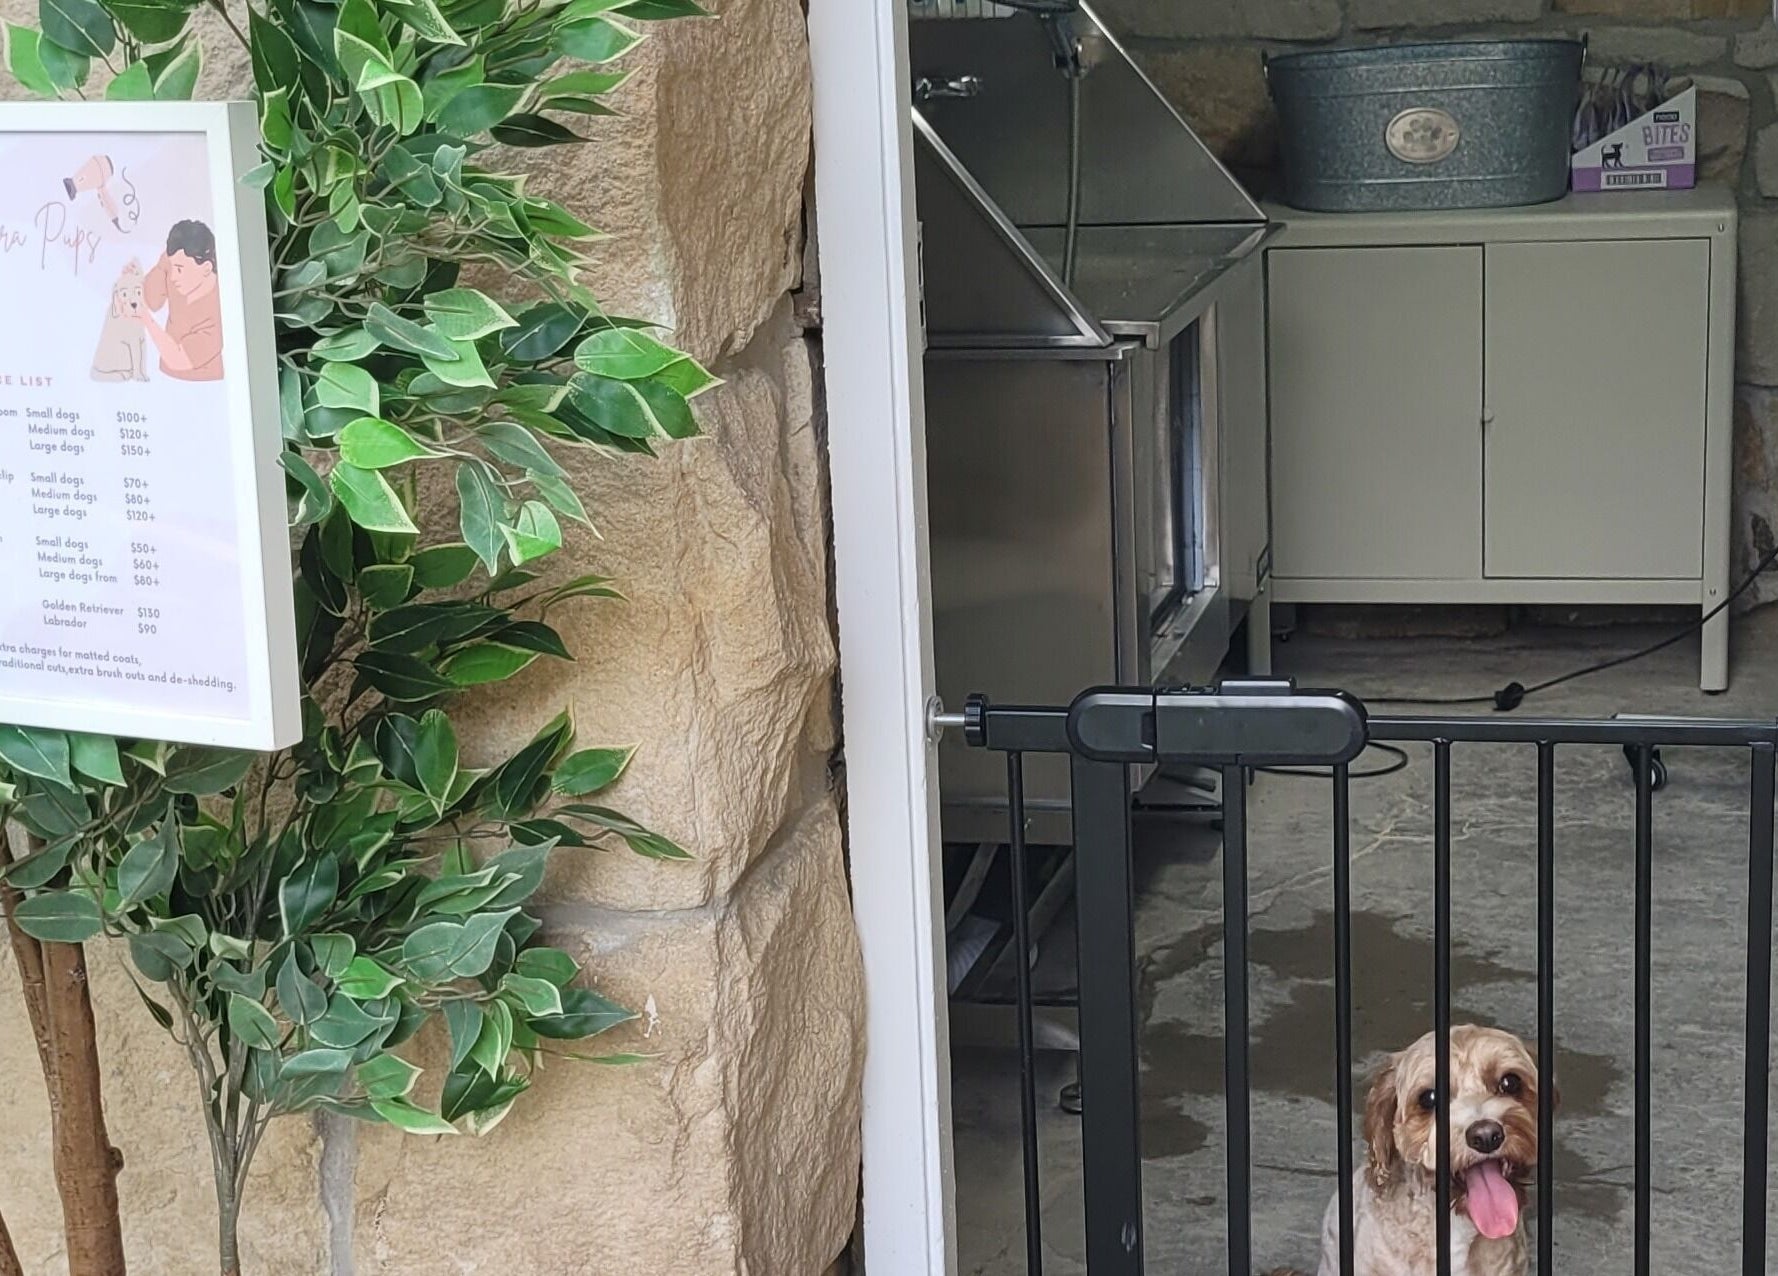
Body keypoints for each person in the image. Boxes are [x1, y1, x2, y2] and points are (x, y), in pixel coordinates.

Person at [136, 220, 223, 382]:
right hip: (162, 378)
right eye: (173, 267)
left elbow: (177, 359)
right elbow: (152, 301)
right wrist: (163, 265)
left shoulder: (218, 313)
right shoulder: (181, 268)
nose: (174, 277)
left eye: (179, 269)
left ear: (206, 268)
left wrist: (146, 320)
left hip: (202, 386)